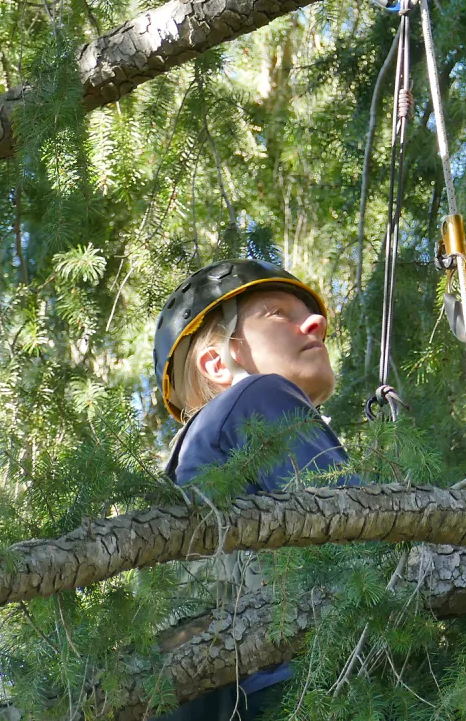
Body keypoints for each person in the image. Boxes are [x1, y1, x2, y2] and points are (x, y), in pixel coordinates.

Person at [152, 259, 352, 720]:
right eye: (279, 313)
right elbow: (364, 552)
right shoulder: (259, 397)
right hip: (293, 690)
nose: (316, 323)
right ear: (217, 360)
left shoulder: (196, 447)